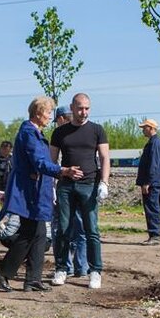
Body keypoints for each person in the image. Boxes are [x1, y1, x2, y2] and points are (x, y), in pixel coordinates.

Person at [0, 98, 82, 292]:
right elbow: (39, 162)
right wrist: (63, 170)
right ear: (38, 113)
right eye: (48, 113)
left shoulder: (34, 132)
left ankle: (32, 279)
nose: (50, 116)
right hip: (28, 192)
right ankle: (3, 272)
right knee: (30, 233)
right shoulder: (29, 133)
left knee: (39, 235)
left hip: (36, 191)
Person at [49, 93, 110, 289]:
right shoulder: (60, 133)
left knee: (91, 229)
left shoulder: (97, 130)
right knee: (63, 229)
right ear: (72, 108)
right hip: (66, 186)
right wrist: (56, 180)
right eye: (80, 108)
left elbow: (104, 157)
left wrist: (104, 182)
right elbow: (52, 161)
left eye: (87, 108)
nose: (83, 112)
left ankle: (95, 271)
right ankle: (61, 268)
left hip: (89, 185)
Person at [49, 105, 87, 274]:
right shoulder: (85, 133)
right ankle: (81, 267)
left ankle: (66, 267)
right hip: (84, 187)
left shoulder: (61, 136)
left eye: (57, 120)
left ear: (62, 118)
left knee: (61, 229)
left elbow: (52, 165)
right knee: (80, 228)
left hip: (64, 188)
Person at [136, 119, 160, 245]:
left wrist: (147, 182)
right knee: (151, 207)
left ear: (151, 128)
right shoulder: (154, 142)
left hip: (152, 182)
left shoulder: (154, 143)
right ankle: (153, 234)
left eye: (145, 128)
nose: (143, 130)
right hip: (153, 181)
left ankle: (155, 235)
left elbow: (153, 164)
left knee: (152, 207)